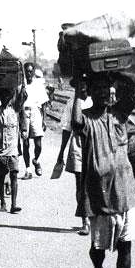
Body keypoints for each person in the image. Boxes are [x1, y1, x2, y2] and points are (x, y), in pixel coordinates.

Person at [71, 71, 135, 268]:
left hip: (125, 192)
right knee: (97, 248)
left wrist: (119, 74)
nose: (102, 92)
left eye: (106, 87)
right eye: (96, 88)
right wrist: (78, 95)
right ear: (90, 92)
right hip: (99, 195)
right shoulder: (87, 118)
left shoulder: (119, 114)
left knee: (126, 246)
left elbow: (133, 90)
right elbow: (76, 123)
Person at [55, 75, 93, 234]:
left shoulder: (94, 101)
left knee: (92, 184)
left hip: (92, 143)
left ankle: (92, 216)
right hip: (77, 145)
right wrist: (61, 152)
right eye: (79, 86)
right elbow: (66, 129)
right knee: (80, 185)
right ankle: (85, 220)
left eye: (85, 85)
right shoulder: (71, 103)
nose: (83, 89)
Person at [0, 83, 26, 213]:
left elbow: (24, 95)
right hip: (0, 146)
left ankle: (13, 204)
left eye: (9, 94)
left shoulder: (16, 108)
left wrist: (21, 83)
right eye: (4, 95)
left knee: (14, 174)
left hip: (13, 147)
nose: (7, 97)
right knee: (1, 175)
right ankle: (3, 202)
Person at [21, 62, 49, 178]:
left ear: (33, 72)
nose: (29, 73)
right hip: (24, 112)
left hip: (36, 112)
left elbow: (44, 105)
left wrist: (44, 120)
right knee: (25, 142)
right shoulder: (21, 84)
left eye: (30, 71)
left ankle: (36, 160)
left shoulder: (38, 84)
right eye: (27, 71)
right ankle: (28, 170)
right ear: (24, 71)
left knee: (38, 144)